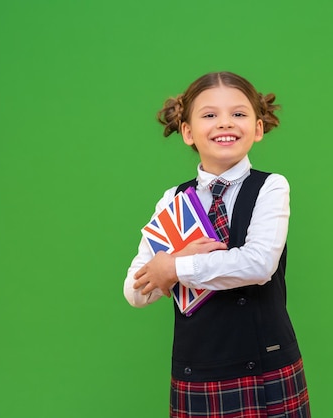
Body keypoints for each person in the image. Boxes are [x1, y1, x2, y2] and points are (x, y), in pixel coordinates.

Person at [123, 71, 310, 417]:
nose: (225, 123)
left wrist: (174, 267)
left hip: (266, 367)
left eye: (238, 114)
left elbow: (257, 265)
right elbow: (136, 291)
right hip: (198, 372)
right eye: (210, 115)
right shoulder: (173, 200)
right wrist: (169, 265)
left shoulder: (271, 188)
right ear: (187, 132)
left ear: (257, 128)